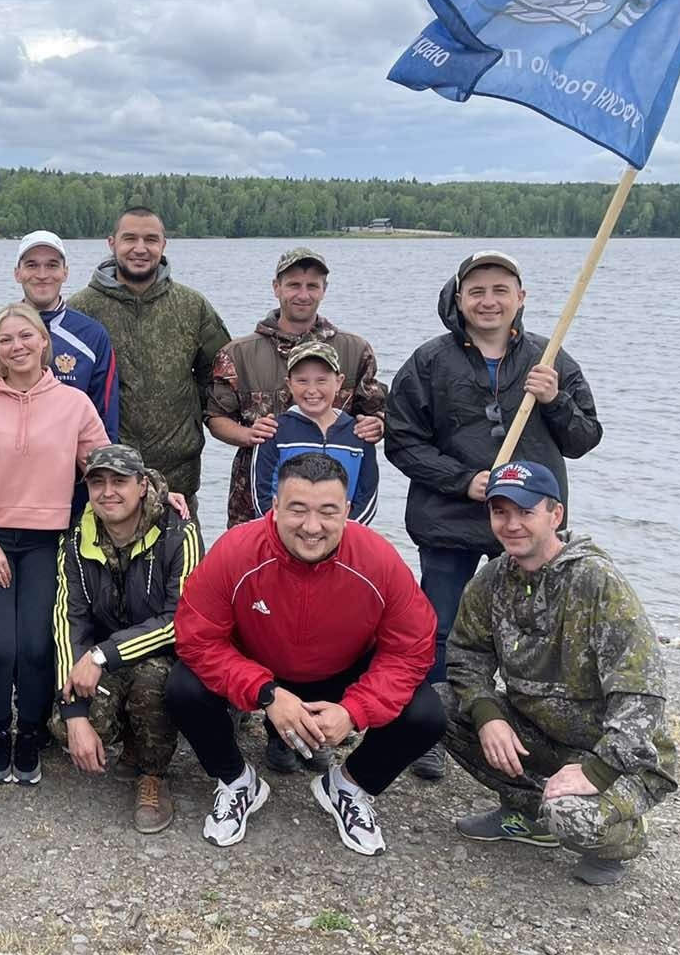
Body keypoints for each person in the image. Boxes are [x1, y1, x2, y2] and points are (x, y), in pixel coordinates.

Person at [385, 250, 602, 779]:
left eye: (500, 290)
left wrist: (555, 402)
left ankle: (537, 735)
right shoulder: (429, 362)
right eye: (477, 291)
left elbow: (584, 438)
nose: (489, 300)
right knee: (439, 626)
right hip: (450, 519)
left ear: (520, 299)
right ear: (458, 299)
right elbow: (402, 440)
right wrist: (463, 481)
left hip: (530, 525)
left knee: (539, 634)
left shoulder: (552, 361)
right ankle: (432, 727)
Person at [166, 453, 443, 856]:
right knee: (182, 688)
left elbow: (412, 648)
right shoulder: (235, 552)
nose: (312, 527)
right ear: (274, 507)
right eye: (297, 509)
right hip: (262, 668)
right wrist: (266, 693)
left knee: (427, 714)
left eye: (328, 512)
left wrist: (354, 710)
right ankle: (237, 780)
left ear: (348, 511)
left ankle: (347, 785)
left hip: (340, 669)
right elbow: (196, 637)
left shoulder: (378, 559)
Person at [441, 461, 678, 886]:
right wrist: (487, 712)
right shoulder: (492, 579)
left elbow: (641, 697)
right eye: (500, 512)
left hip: (615, 755)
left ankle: (621, 839)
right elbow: (466, 654)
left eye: (525, 512)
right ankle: (522, 812)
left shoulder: (597, 583)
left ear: (556, 515)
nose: (512, 524)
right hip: (539, 733)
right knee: (439, 705)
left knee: (570, 816)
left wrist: (596, 773)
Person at [0, 303, 111, 786]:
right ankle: (0, 729)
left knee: (36, 646)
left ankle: (31, 730)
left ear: (43, 342)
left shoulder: (74, 404)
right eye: (5, 340)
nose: (16, 346)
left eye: (25, 337)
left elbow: (104, 467)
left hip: (47, 540)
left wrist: (159, 492)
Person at [52, 444, 201, 833]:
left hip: (168, 656)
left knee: (154, 681)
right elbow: (69, 622)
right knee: (62, 723)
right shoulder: (74, 540)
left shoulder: (179, 532)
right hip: (108, 659)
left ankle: (153, 775)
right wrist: (74, 715)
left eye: (120, 481)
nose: (108, 491)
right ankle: (133, 736)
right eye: (97, 482)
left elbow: (178, 621)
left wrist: (101, 656)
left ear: (142, 485)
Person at [207, 247, 385, 529]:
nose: (303, 295)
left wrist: (377, 425)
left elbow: (377, 413)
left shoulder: (355, 350)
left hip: (335, 513)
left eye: (312, 286)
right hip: (254, 504)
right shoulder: (238, 353)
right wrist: (248, 434)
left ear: (324, 290)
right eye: (293, 285)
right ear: (276, 287)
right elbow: (215, 418)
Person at [69, 206, 230, 515]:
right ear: (111, 242)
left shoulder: (191, 306)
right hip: (105, 483)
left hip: (178, 479)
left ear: (164, 245)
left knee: (184, 564)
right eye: (130, 238)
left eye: (151, 239)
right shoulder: (81, 311)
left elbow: (220, 374)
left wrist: (193, 416)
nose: (140, 249)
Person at [0, 230, 118, 441]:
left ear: (65, 272)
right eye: (32, 265)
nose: (42, 274)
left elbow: (106, 418)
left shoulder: (92, 336)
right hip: (5, 466)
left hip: (73, 468)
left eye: (52, 265)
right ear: (17, 273)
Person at [252, 342, 379, 524]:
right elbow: (261, 495)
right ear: (289, 384)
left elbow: (367, 496)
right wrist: (284, 532)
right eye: (302, 381)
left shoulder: (359, 433)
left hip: (344, 534)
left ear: (339, 382)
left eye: (322, 380)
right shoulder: (274, 431)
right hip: (284, 535)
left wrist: (346, 530)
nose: (312, 390)